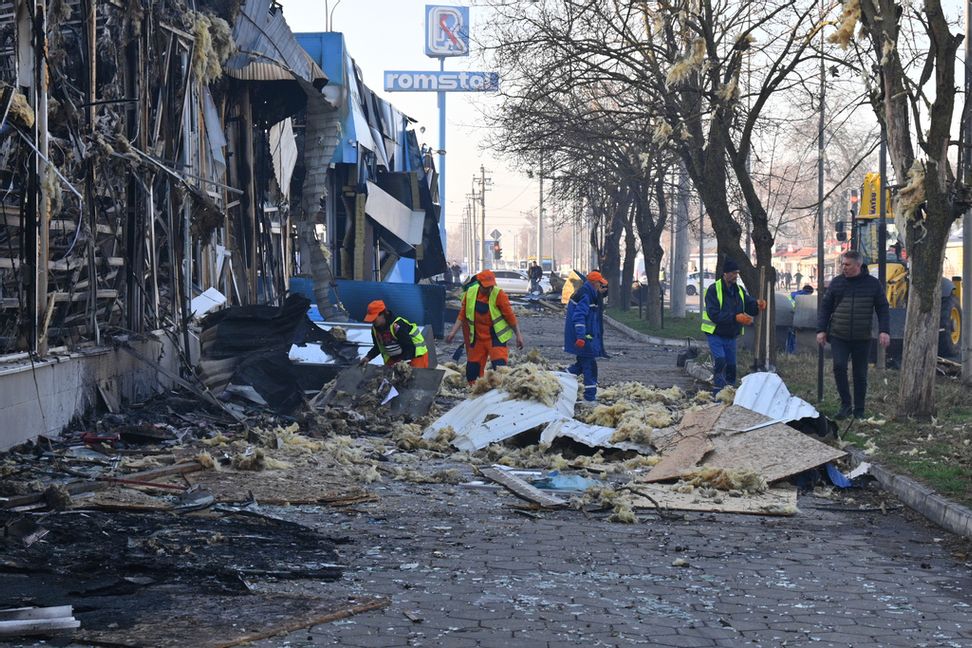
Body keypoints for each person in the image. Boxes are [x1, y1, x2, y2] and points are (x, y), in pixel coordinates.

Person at [816, 250, 890, 419]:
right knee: (839, 367)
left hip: (862, 337)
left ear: (858, 265)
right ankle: (846, 405)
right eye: (842, 264)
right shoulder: (837, 283)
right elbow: (825, 307)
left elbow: (883, 308)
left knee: (860, 374)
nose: (844, 267)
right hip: (839, 335)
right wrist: (821, 330)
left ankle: (859, 410)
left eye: (847, 264)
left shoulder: (873, 284)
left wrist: (884, 331)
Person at [446, 270, 525, 384]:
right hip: (478, 339)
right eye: (486, 287)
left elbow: (510, 317)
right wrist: (453, 333)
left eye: (491, 287)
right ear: (479, 284)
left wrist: (518, 335)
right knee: (472, 373)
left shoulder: (499, 294)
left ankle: (499, 395)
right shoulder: (471, 293)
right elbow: (462, 314)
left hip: (495, 338)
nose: (489, 290)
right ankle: (477, 394)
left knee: (500, 370)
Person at [700, 259, 764, 393]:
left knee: (731, 366)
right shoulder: (713, 290)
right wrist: (735, 317)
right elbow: (714, 314)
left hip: (731, 335)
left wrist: (757, 305)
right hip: (715, 333)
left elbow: (749, 305)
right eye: (733, 273)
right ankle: (718, 391)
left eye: (737, 273)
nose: (736, 276)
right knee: (721, 360)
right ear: (725, 274)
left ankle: (729, 392)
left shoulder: (739, 291)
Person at [564, 271, 609, 402]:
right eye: (600, 283)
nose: (601, 286)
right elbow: (579, 317)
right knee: (589, 367)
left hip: (585, 337)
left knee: (581, 366)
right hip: (583, 338)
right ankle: (589, 397)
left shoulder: (588, 292)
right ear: (595, 283)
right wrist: (581, 337)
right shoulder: (586, 295)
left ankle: (561, 379)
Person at [360, 300, 429, 368]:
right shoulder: (375, 329)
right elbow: (378, 347)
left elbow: (409, 347)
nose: (372, 321)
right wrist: (368, 357)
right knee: (390, 376)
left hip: (415, 354)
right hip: (396, 357)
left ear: (383, 314)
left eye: (374, 318)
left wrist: (402, 363)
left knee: (414, 377)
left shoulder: (397, 326)